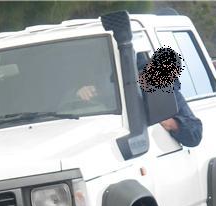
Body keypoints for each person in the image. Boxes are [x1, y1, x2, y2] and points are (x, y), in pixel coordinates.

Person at [75, 47, 203, 148]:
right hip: (101, 136)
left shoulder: (172, 95)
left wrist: (171, 123)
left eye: (168, 76)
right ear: (150, 65)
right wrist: (81, 93)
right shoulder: (121, 80)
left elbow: (195, 135)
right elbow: (94, 97)